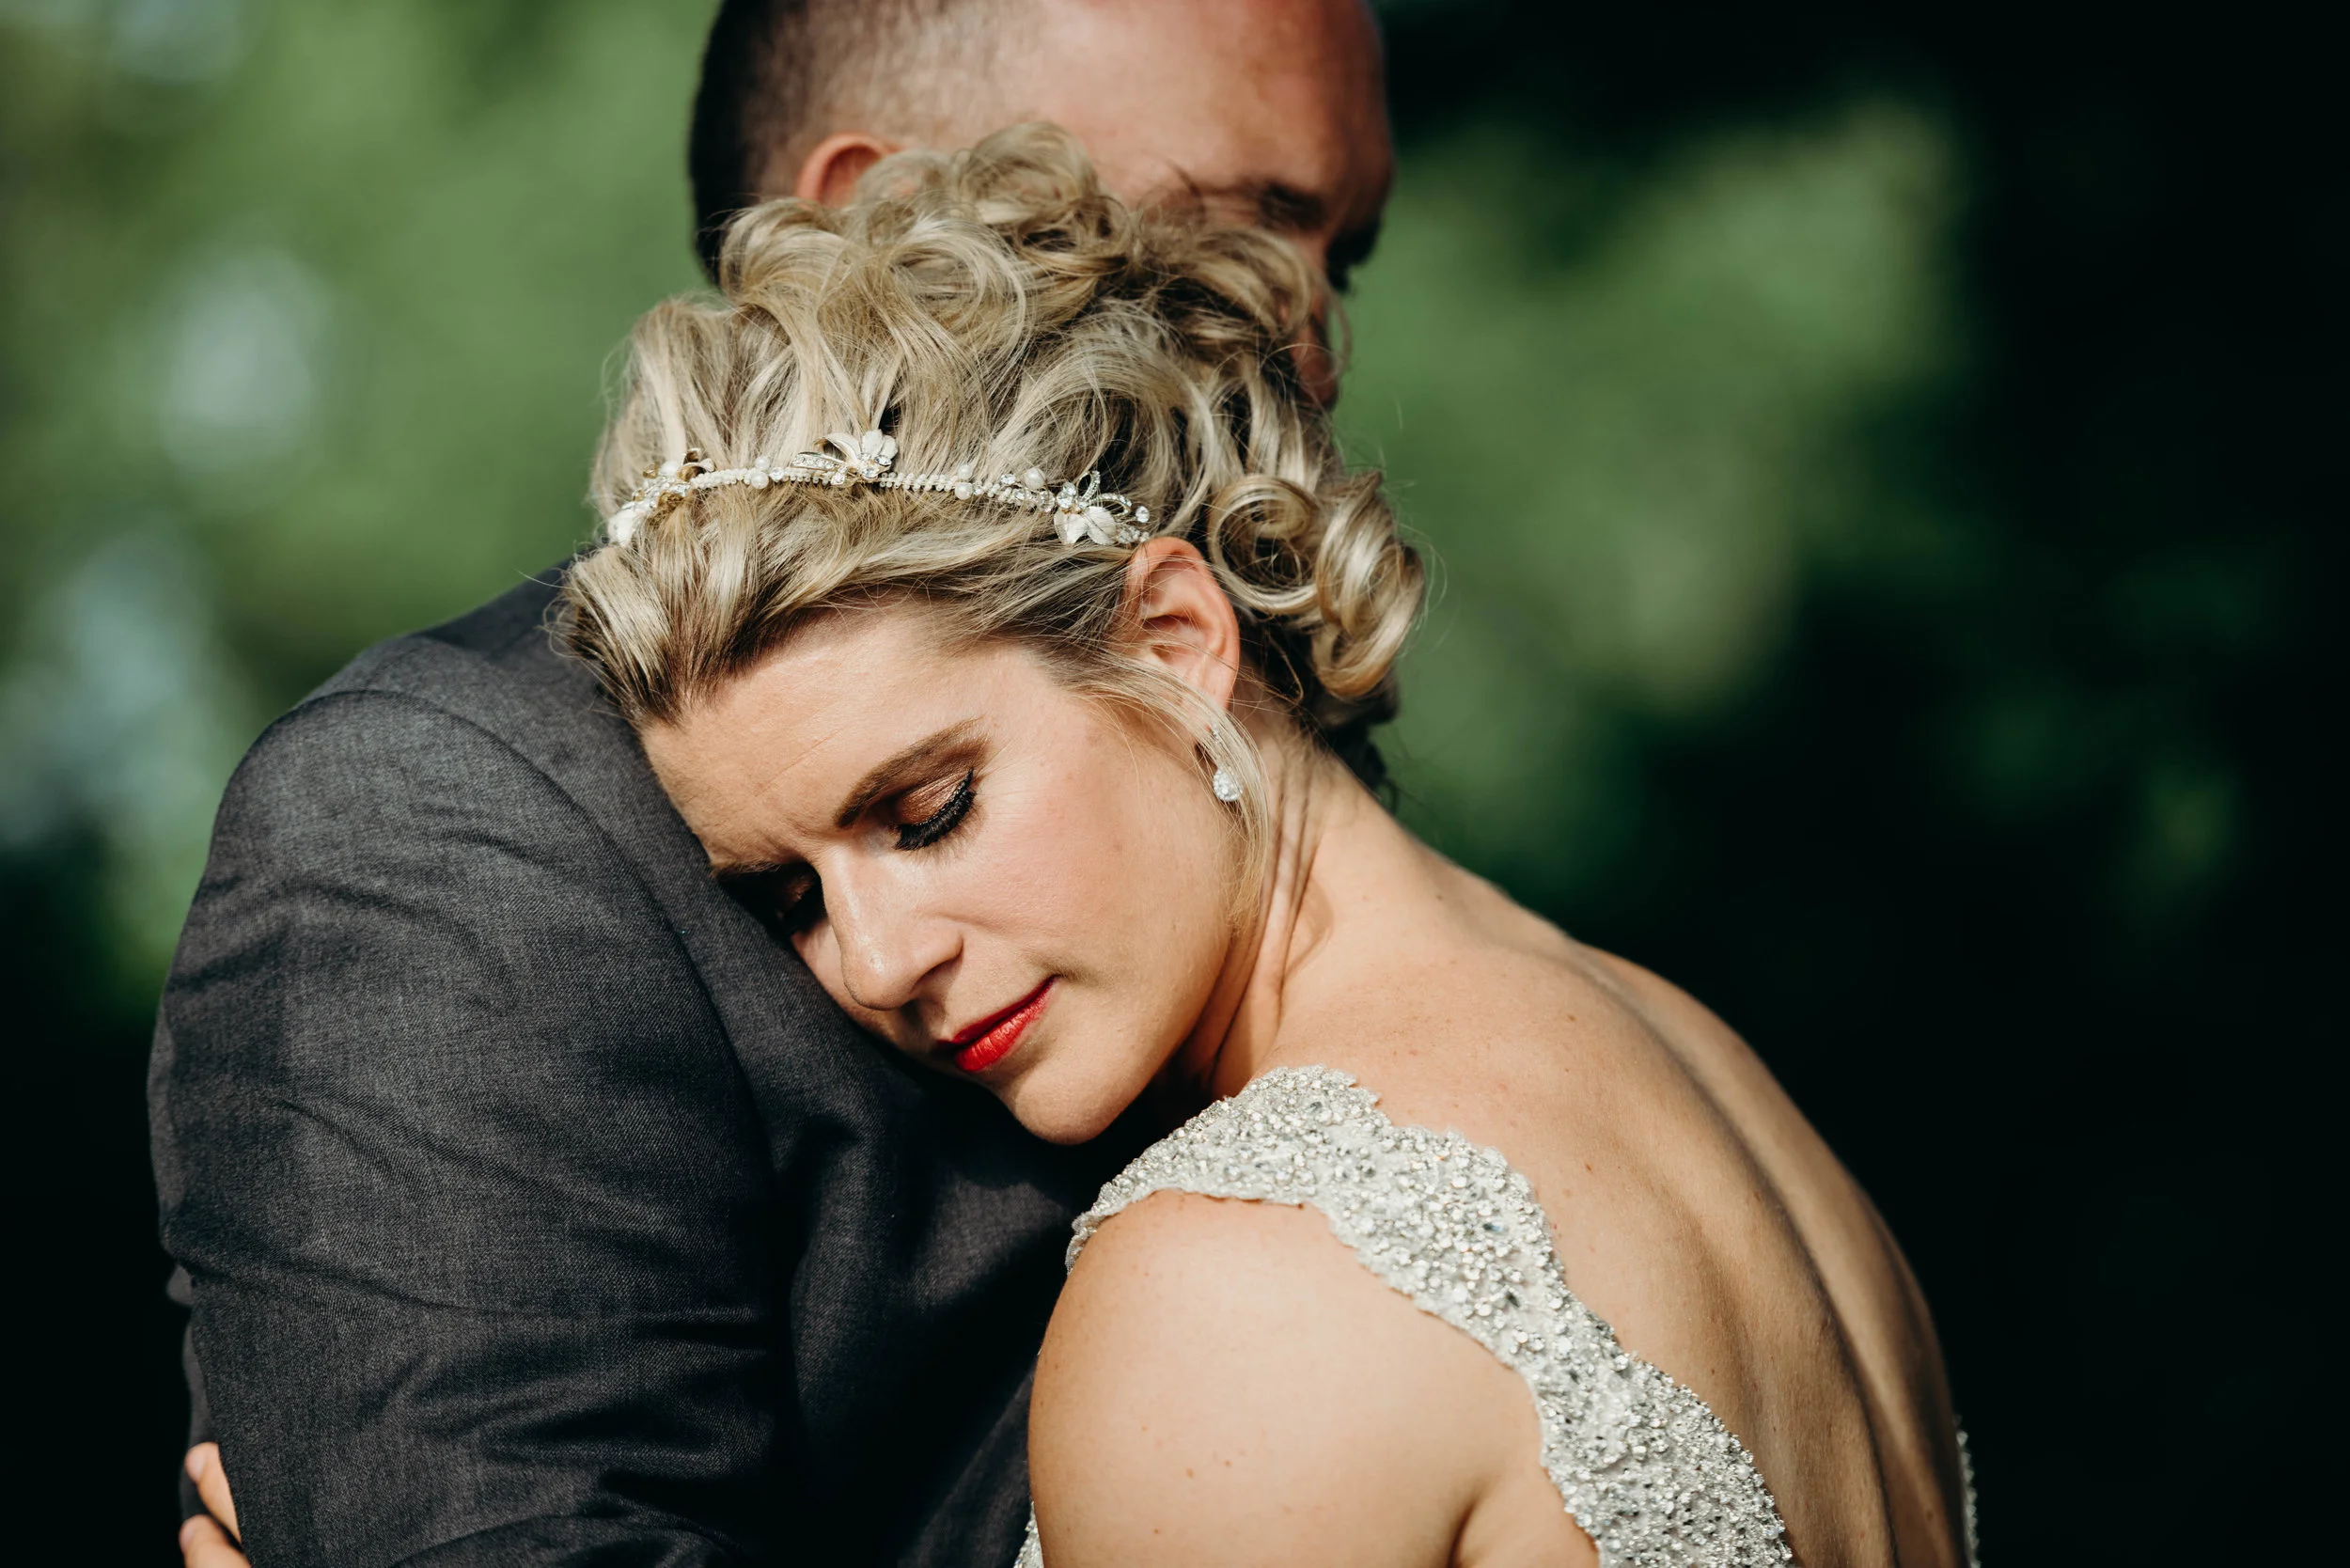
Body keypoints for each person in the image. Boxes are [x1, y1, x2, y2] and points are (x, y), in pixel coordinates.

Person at [188, 125, 1980, 1566]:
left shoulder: (1250, 1281)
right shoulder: (1719, 1090)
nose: (876, 961)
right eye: (790, 896)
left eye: (930, 809)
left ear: (1178, 641)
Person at [156, 3, 1390, 1566]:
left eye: (1339, 257)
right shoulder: (444, 822)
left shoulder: (1280, 813)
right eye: (1242, 223)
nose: (1312, 337)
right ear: (880, 206)